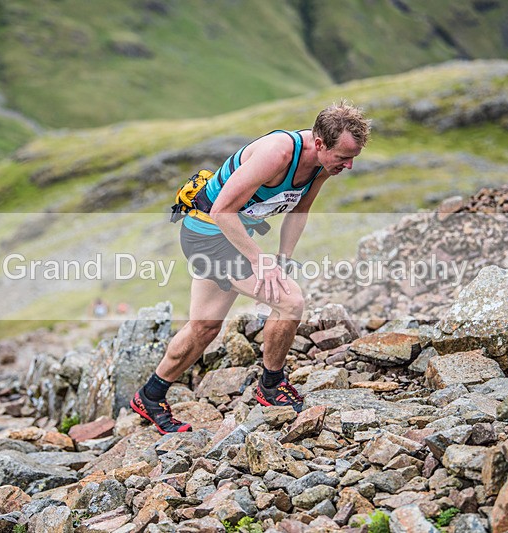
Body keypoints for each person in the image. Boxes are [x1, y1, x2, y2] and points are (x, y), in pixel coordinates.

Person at [130, 100, 370, 434]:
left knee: (205, 327)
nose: (348, 166)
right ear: (319, 143)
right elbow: (222, 211)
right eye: (344, 157)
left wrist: (283, 259)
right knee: (290, 302)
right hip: (207, 235)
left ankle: (150, 395)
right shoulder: (277, 154)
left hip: (230, 236)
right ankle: (271, 386)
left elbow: (299, 211)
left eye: (353, 158)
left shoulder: (320, 165)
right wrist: (261, 262)